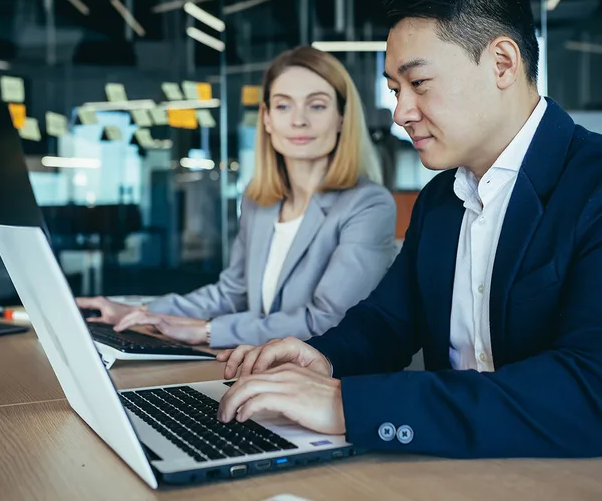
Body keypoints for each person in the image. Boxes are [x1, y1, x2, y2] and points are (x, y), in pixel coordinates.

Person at [214, 0, 602, 473]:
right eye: (394, 89)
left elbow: (594, 394)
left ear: (502, 63)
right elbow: (387, 322)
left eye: (418, 83)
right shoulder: (441, 200)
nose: (400, 111)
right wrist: (323, 358)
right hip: (473, 469)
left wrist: (345, 405)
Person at [76, 46, 397, 348]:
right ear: (267, 118)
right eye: (284, 105)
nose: (299, 120)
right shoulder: (259, 202)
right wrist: (141, 311)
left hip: (328, 381)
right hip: (257, 366)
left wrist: (207, 331)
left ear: (342, 117)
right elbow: (231, 295)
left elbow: (328, 320)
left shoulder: (367, 205)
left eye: (317, 105)